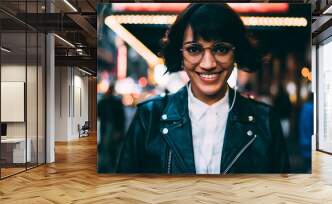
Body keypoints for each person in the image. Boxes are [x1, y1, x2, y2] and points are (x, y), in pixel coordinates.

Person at [116, 3, 290, 174]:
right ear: (180, 54)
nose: (208, 64)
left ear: (235, 53)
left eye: (221, 49)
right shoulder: (149, 117)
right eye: (194, 49)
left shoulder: (266, 121)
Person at [98, 83, 126, 172]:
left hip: (109, 127)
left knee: (108, 148)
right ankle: (109, 166)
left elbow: (121, 118)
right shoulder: (112, 101)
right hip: (109, 127)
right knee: (109, 148)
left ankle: (108, 166)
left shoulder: (105, 101)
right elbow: (121, 118)